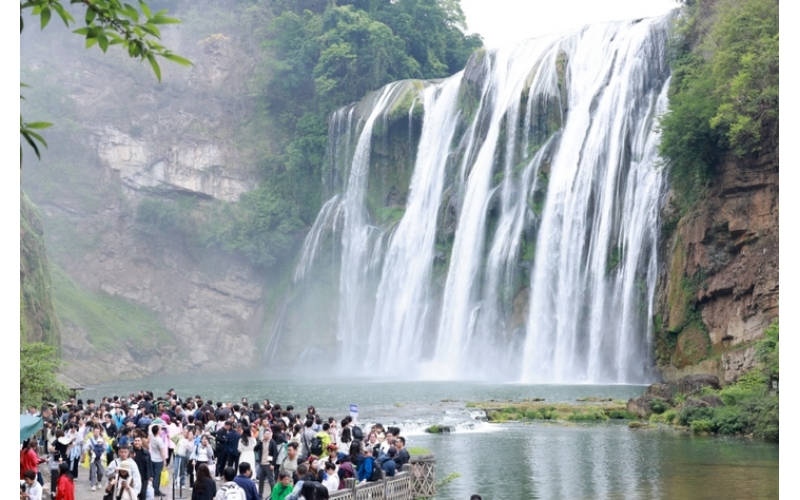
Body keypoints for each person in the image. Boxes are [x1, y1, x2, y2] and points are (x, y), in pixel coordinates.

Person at [256, 427, 278, 497]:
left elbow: (275, 453)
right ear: (264, 435)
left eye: (268, 434)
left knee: (271, 480)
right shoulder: (262, 442)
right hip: (262, 463)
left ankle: (273, 494)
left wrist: (273, 464)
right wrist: (260, 442)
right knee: (261, 480)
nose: (267, 435)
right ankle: (260, 494)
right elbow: (255, 449)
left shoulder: (272, 442)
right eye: (266, 434)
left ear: (270, 435)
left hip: (269, 463)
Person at [148, 425, 166, 497]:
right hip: (159, 460)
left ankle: (154, 489)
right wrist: (164, 460)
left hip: (152, 458)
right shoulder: (159, 439)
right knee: (157, 476)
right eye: (160, 429)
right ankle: (156, 491)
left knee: (153, 475)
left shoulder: (152, 437)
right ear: (158, 431)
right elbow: (162, 451)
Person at [87, 425, 107, 491]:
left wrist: (104, 443)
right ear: (93, 432)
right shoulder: (90, 439)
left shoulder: (102, 439)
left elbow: (106, 447)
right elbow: (87, 447)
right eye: (95, 431)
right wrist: (91, 451)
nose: (96, 433)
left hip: (100, 458)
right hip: (93, 457)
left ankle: (99, 481)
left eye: (98, 431)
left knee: (101, 471)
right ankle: (93, 484)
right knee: (93, 471)